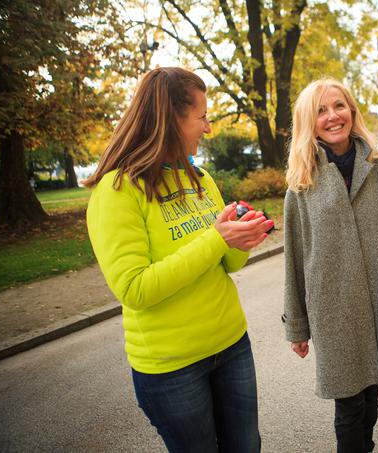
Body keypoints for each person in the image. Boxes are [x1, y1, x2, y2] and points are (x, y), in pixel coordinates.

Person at [84, 67, 271, 453]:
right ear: (171, 119)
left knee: (247, 447)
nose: (208, 128)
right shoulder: (118, 190)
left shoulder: (200, 177)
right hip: (172, 369)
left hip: (232, 345)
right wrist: (215, 238)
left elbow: (228, 264)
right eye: (202, 117)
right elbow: (134, 289)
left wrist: (241, 239)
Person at [282, 78, 378, 453]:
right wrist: (297, 324)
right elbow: (295, 260)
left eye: (339, 106)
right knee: (349, 405)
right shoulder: (302, 185)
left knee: (372, 395)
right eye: (321, 111)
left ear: (352, 111)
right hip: (335, 314)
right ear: (308, 122)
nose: (333, 117)